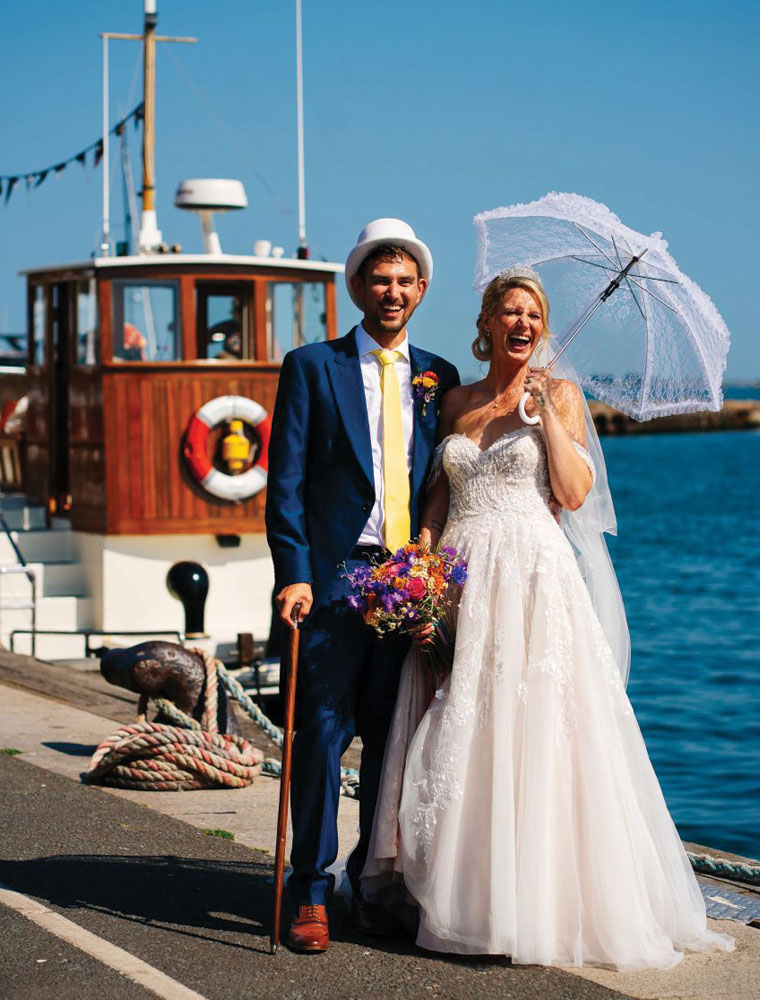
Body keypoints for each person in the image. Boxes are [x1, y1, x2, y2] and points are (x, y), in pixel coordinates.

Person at [361, 269, 734, 969]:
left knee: (533, 726)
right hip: (462, 580)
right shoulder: (458, 402)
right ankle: (463, 895)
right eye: (510, 312)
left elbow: (573, 492)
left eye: (533, 314)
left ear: (543, 326)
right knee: (456, 724)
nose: (523, 324)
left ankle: (534, 901)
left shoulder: (560, 395)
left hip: (530, 578)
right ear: (487, 323)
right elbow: (440, 497)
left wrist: (546, 419)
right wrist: (420, 569)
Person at [265, 218, 460, 953]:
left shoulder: (438, 376)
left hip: (407, 577)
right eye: (380, 279)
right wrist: (294, 574)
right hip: (334, 577)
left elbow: (445, 480)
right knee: (319, 732)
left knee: (389, 735)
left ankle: (368, 883)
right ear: (357, 287)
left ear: (422, 289)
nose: (393, 291)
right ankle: (309, 890)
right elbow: (285, 484)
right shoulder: (312, 366)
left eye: (405, 281)